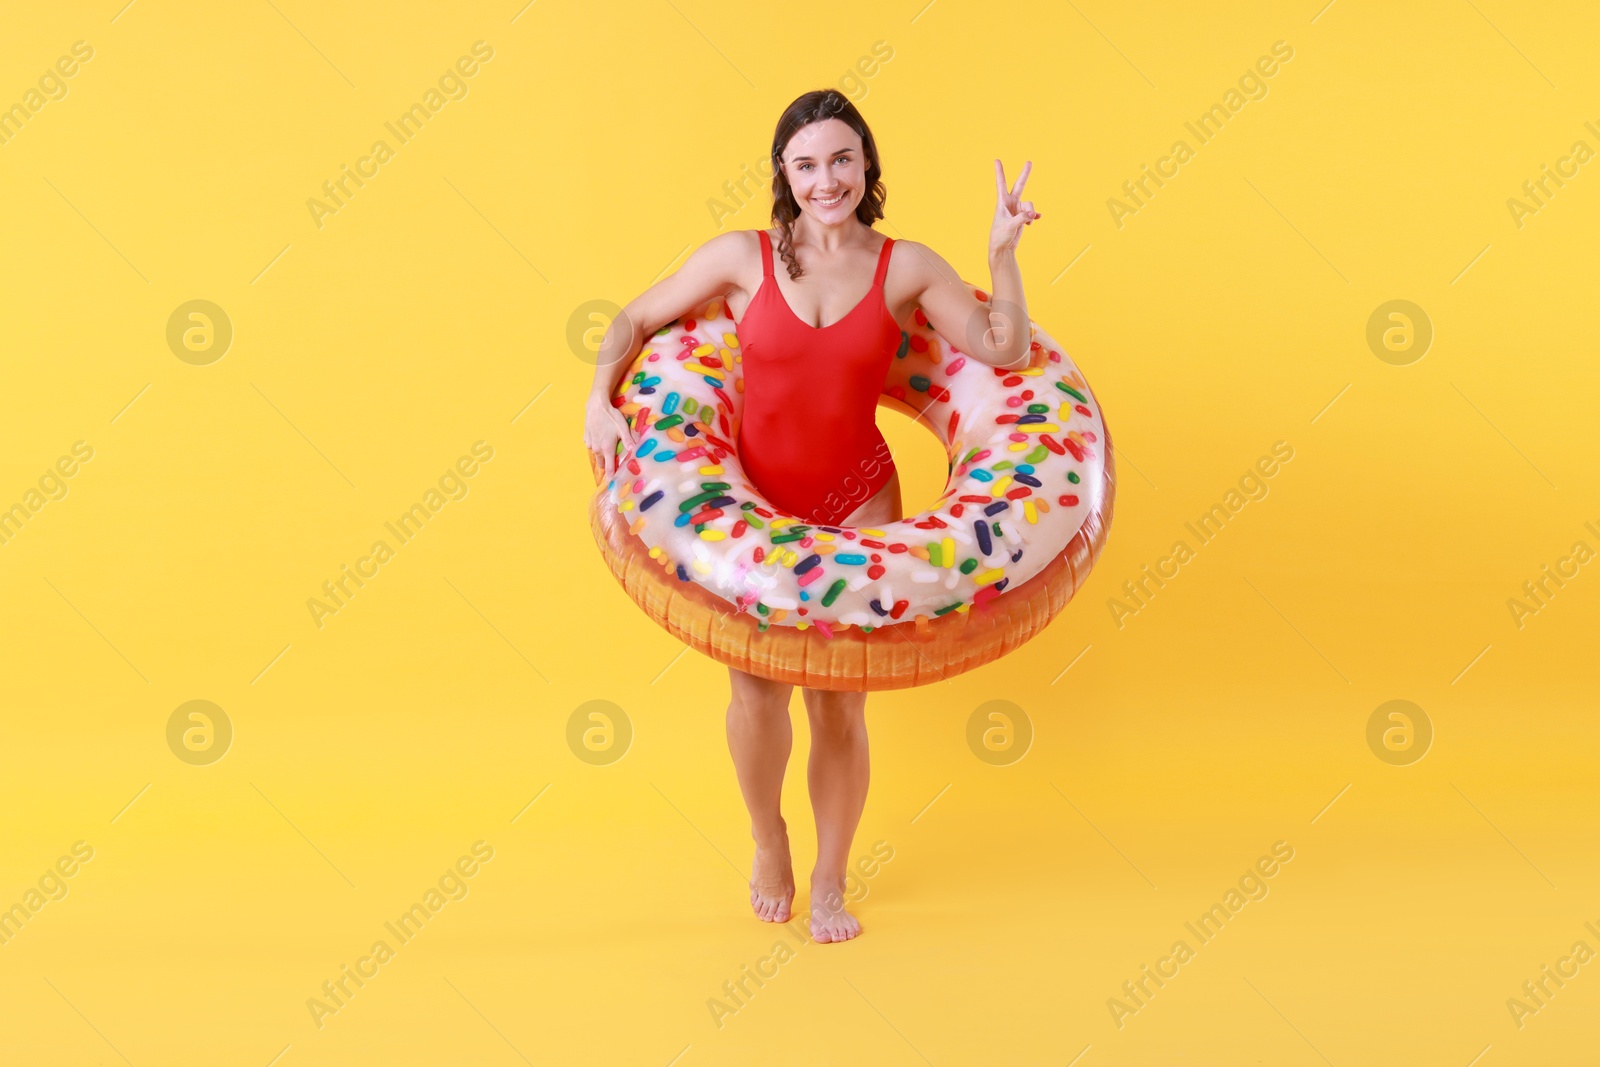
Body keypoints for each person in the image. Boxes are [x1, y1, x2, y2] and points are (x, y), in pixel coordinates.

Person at [583, 88, 1040, 942]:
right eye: (805, 164)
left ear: (865, 163)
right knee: (756, 696)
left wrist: (1001, 252)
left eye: (840, 159)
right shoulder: (743, 257)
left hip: (858, 502)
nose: (825, 179)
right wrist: (595, 401)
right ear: (784, 175)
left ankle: (831, 878)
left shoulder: (905, 266)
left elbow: (1001, 347)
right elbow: (636, 317)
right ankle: (770, 838)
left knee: (838, 706)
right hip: (754, 501)